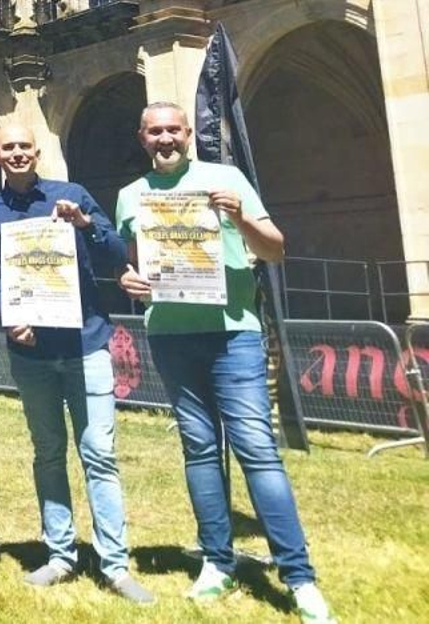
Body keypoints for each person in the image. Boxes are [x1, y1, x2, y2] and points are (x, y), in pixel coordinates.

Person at [117, 102, 336, 624]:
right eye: (155, 132)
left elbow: (275, 250)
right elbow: (136, 263)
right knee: (199, 450)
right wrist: (129, 280)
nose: (165, 139)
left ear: (188, 133)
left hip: (233, 333)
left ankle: (299, 577)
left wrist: (239, 215)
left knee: (257, 450)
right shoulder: (130, 195)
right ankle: (217, 562)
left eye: (173, 130)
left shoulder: (227, 178)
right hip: (171, 334)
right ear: (142, 138)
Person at [0, 122, 154, 604]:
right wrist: (9, 315)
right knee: (48, 453)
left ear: (37, 153)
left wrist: (85, 223)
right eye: (8, 148)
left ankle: (115, 564)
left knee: (99, 454)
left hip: (85, 345)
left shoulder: (71, 195)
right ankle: (59, 554)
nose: (17, 153)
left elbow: (116, 253)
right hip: (32, 352)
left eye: (24, 146)